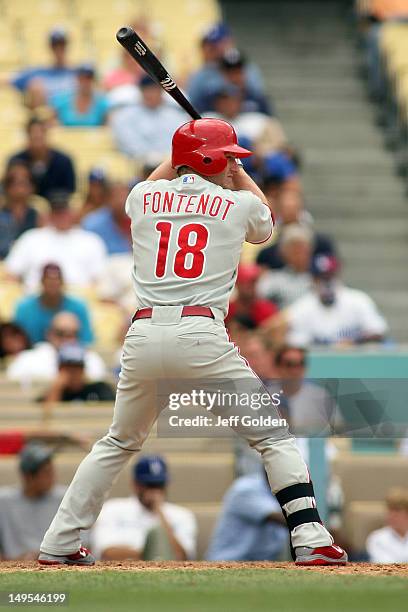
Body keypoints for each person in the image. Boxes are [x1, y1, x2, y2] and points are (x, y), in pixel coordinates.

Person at [38, 117, 347, 567]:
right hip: (200, 334)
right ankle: (310, 536)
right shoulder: (237, 202)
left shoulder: (142, 197)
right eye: (227, 159)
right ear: (209, 161)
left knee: (117, 442)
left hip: (142, 336)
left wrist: (194, 154)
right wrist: (234, 171)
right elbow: (267, 226)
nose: (232, 167)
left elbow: (156, 181)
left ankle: (60, 541)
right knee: (274, 436)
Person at [92, 455, 197, 560]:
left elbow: (182, 556)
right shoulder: (112, 509)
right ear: (135, 484)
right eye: (149, 485)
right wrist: (151, 554)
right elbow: (105, 553)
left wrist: (159, 511)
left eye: (159, 485)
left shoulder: (182, 515)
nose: (155, 491)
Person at [5, 191, 107, 291]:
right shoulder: (31, 238)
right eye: (57, 212)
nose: (62, 216)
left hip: (78, 298)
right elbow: (11, 274)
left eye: (65, 211)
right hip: (37, 298)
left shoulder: (91, 241)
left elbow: (100, 280)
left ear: (74, 212)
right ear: (49, 213)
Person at [285, 255, 388, 346]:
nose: (327, 283)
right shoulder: (302, 307)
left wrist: (354, 342)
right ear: (313, 280)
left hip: (356, 362)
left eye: (330, 276)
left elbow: (378, 331)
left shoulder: (358, 300)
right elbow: (296, 343)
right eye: (321, 278)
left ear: (338, 276)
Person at [0, 444, 65, 560]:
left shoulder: (65, 498)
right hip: (15, 568)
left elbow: (84, 543)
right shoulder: (4, 501)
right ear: (28, 477)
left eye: (52, 471)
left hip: (59, 565)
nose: (52, 477)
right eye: (46, 473)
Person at [206, 471, 288, 560]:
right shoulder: (245, 489)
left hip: (262, 565)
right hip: (227, 563)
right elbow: (286, 520)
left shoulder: (284, 491)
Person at [187, 23, 265, 115]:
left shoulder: (247, 68)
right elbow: (193, 101)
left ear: (229, 41)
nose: (211, 49)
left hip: (245, 115)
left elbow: (257, 95)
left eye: (215, 44)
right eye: (207, 44)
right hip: (213, 116)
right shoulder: (201, 74)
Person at [7, 312, 106, 384]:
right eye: (61, 333)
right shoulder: (28, 358)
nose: (68, 339)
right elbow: (12, 380)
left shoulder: (92, 359)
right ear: (49, 334)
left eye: (73, 334)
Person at [109, 75, 187, 161]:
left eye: (154, 90)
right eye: (146, 90)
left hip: (171, 163)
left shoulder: (175, 115)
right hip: (139, 164)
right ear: (140, 91)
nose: (150, 94)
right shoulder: (125, 115)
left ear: (161, 91)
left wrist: (165, 158)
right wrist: (149, 157)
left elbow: (181, 142)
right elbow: (128, 142)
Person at [14, 263, 94, 345]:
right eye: (49, 280)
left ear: (62, 282)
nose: (52, 284)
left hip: (70, 353)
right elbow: (16, 341)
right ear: (42, 282)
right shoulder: (24, 308)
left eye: (56, 280)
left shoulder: (79, 307)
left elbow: (86, 341)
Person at [256, 189, 336, 270]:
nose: (290, 211)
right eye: (286, 207)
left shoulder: (321, 243)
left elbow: (332, 265)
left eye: (294, 206)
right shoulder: (268, 246)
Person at [8, 117, 76, 199]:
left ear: (46, 135)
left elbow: (70, 190)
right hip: (24, 208)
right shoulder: (16, 161)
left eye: (40, 134)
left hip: (56, 208)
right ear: (28, 136)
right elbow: (8, 187)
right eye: (34, 135)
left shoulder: (64, 161)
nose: (37, 137)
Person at [10, 28, 76, 103]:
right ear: (50, 47)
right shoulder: (37, 73)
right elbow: (10, 81)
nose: (58, 49)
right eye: (54, 45)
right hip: (44, 112)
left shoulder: (80, 74)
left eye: (62, 44)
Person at [257, 224, 314, 309]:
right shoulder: (273, 279)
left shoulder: (318, 278)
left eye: (303, 249)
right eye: (295, 251)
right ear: (284, 254)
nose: (300, 256)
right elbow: (259, 297)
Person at [40, 343, 115, 404]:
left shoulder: (100, 389)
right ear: (59, 369)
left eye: (78, 367)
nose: (74, 373)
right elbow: (44, 417)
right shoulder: (53, 393)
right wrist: (56, 390)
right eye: (68, 367)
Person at [0, 161, 40, 259]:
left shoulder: (39, 213)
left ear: (32, 187)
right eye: (16, 184)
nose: (20, 189)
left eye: (24, 184)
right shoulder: (2, 213)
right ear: (7, 188)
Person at [81, 181, 132, 254]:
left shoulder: (135, 220)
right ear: (107, 199)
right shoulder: (92, 224)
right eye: (117, 196)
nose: (121, 201)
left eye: (125, 196)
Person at [225, 263, 278, 329]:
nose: (249, 286)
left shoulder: (267, 309)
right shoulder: (227, 310)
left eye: (253, 282)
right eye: (244, 282)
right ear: (237, 284)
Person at [366, 488, 408, 563]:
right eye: (389, 510)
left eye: (397, 511)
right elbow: (386, 566)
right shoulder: (376, 538)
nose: (391, 515)